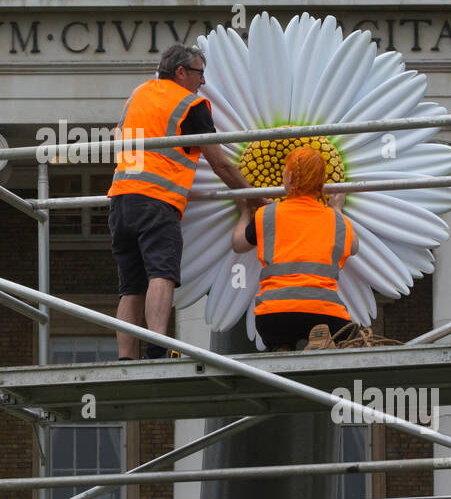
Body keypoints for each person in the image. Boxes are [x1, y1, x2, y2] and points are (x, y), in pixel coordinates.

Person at [107, 44, 255, 360]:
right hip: (157, 201)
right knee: (161, 273)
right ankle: (157, 346)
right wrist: (252, 196)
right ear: (181, 72)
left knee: (130, 286)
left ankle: (125, 358)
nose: (203, 82)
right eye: (200, 74)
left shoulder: (139, 94)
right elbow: (221, 164)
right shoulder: (191, 105)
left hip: (120, 198)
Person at [232, 146, 354, 351]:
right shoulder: (336, 221)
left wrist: (245, 211)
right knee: (347, 332)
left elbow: (238, 244)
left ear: (288, 178)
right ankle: (321, 338)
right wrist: (337, 209)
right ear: (321, 184)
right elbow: (355, 246)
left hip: (273, 316)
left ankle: (281, 346)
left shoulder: (267, 215)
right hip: (324, 313)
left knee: (277, 334)